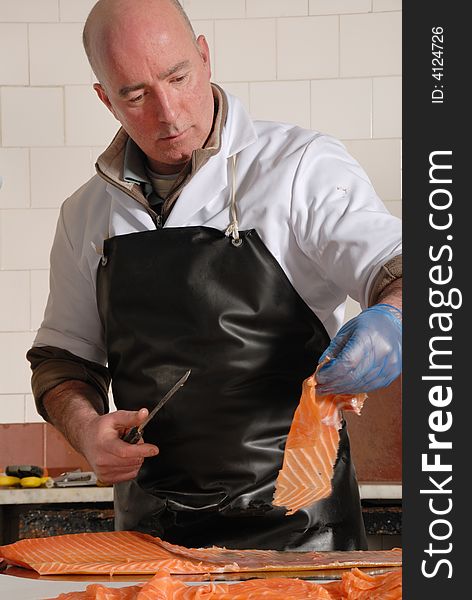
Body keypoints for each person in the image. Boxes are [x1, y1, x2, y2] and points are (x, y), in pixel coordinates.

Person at [26, 0, 402, 552]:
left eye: (178, 77)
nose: (169, 112)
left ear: (204, 58)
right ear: (105, 98)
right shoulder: (85, 214)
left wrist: (395, 318)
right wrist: (84, 429)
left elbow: (403, 268)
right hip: (151, 541)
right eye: (135, 94)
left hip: (303, 535)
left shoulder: (300, 166)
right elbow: (61, 362)